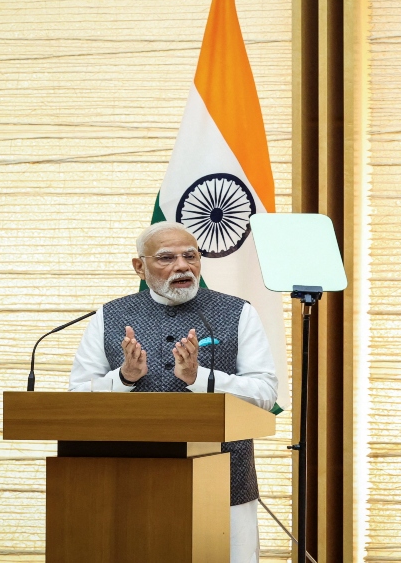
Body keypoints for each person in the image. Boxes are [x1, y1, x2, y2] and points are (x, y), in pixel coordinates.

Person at [69, 221, 278, 563]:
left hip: (225, 477)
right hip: (130, 476)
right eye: (166, 258)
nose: (182, 266)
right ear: (140, 267)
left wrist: (200, 377)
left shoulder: (237, 312)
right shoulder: (110, 315)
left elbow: (265, 393)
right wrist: (123, 378)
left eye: (190, 256)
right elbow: (78, 396)